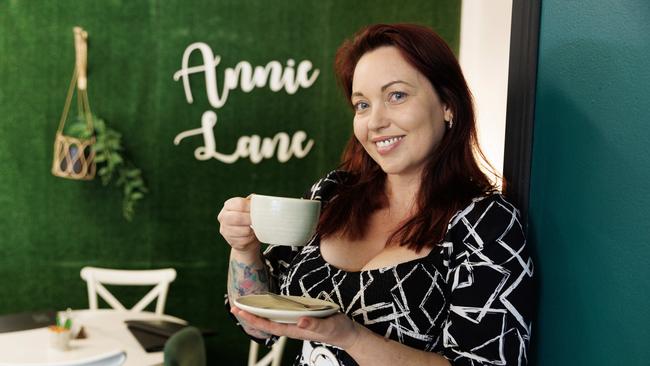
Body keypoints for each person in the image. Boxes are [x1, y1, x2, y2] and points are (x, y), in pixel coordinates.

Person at [218, 23, 534, 366]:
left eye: (396, 96)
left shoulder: (486, 224)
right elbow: (261, 324)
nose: (375, 121)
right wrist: (244, 248)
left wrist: (347, 336)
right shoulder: (333, 194)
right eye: (362, 105)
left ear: (448, 104)